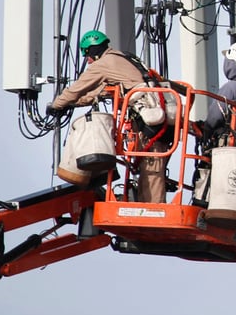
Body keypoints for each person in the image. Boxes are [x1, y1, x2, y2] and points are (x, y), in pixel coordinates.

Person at [46, 30, 167, 204]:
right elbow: (99, 92)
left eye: (87, 56)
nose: (88, 61)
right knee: (149, 167)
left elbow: (77, 88)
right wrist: (72, 104)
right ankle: (147, 205)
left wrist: (56, 105)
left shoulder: (103, 64)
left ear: (91, 51)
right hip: (156, 116)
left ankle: (153, 211)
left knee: (151, 168)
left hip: (149, 122)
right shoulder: (123, 58)